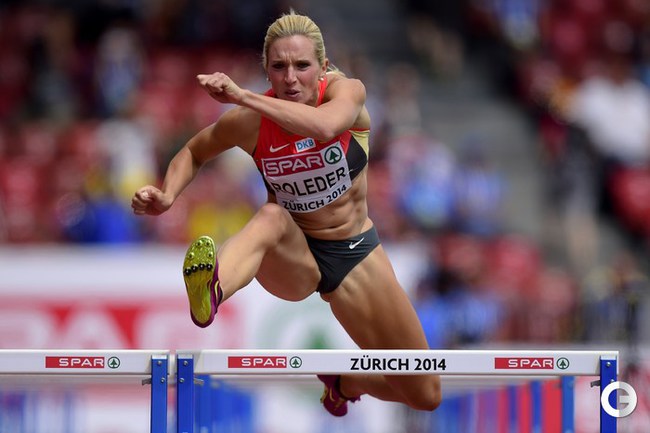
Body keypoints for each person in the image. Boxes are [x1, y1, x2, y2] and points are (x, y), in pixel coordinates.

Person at [131, 10, 442, 417]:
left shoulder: (347, 93)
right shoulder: (251, 123)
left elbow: (325, 127)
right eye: (279, 67)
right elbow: (195, 150)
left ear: (323, 67)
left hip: (353, 254)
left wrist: (242, 96)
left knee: (425, 392)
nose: (290, 78)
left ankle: (345, 383)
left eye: (301, 66)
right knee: (272, 217)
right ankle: (211, 290)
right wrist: (168, 194)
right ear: (267, 71)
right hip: (293, 253)